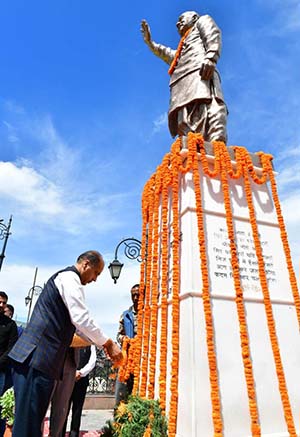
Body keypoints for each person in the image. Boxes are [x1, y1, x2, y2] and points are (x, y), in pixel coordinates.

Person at [9, 250, 122, 437]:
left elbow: (74, 330)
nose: (95, 279)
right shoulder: (69, 278)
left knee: (31, 425)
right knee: (26, 428)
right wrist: (108, 343)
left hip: (41, 363)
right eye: (96, 273)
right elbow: (81, 318)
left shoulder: (69, 282)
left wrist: (99, 342)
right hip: (35, 359)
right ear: (85, 264)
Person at [141, 11, 227, 143]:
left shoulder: (202, 21)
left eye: (181, 19)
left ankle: (215, 144)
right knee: (184, 119)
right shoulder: (182, 49)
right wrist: (151, 43)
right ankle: (191, 145)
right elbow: (168, 54)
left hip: (201, 72)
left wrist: (211, 57)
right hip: (182, 83)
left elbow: (213, 35)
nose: (177, 23)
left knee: (209, 106)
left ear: (194, 18)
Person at [61, 345, 97, 437]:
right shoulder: (71, 339)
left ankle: (74, 433)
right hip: (67, 379)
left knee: (77, 410)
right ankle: (61, 433)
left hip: (81, 380)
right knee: (64, 408)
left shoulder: (90, 343)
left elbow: (92, 361)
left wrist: (81, 373)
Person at [115, 284, 140, 405]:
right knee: (122, 390)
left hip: (141, 359)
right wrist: (124, 339)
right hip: (127, 357)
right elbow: (118, 335)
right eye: (133, 295)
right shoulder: (125, 315)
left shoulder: (148, 313)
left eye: (138, 295)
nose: (135, 298)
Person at [0, 292, 18, 437]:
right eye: (0, 302)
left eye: (4, 303)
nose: (1, 305)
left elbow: (11, 348)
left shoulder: (11, 325)